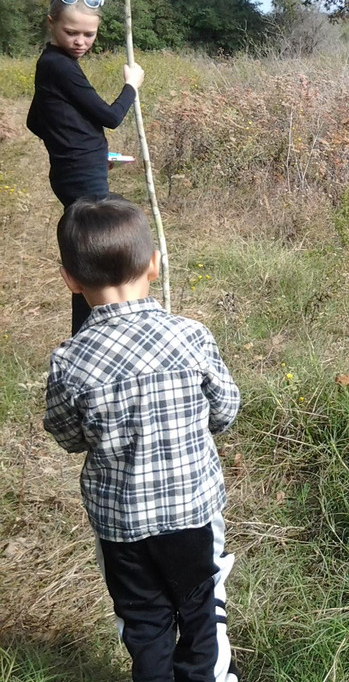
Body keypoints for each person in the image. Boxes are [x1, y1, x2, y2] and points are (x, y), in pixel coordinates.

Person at [43, 196, 241, 682]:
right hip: (192, 514)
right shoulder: (190, 336)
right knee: (201, 612)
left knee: (145, 622)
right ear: (154, 263)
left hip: (121, 526)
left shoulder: (69, 361)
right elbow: (225, 409)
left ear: (69, 279)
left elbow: (67, 435)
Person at [26, 0, 145, 335]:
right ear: (52, 24)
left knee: (88, 252)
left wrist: (77, 146)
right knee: (93, 258)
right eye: (71, 32)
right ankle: (91, 334)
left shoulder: (51, 62)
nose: (80, 41)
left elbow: (35, 119)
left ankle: (91, 330)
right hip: (81, 175)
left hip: (77, 170)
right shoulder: (60, 66)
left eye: (88, 34)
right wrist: (131, 85)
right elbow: (110, 117)